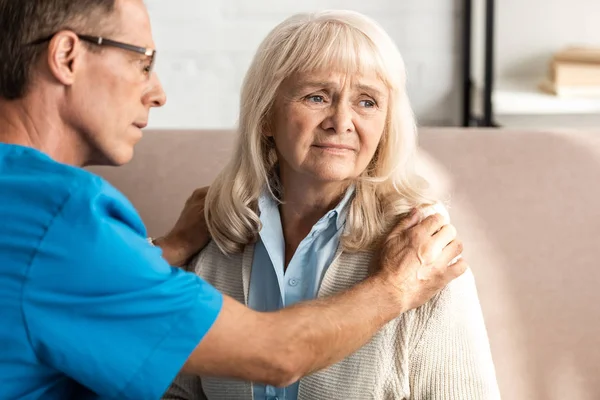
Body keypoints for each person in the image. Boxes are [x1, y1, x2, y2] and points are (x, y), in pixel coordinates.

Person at [0, 1, 467, 399]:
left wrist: (171, 248)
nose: (159, 93)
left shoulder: (421, 241)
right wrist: (397, 288)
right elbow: (278, 354)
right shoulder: (64, 218)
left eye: (368, 102)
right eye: (142, 62)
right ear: (66, 56)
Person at [164, 10, 499, 400]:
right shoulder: (214, 234)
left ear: (386, 124)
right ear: (266, 115)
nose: (341, 121)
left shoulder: (421, 250)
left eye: (367, 102)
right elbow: (179, 391)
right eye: (316, 97)